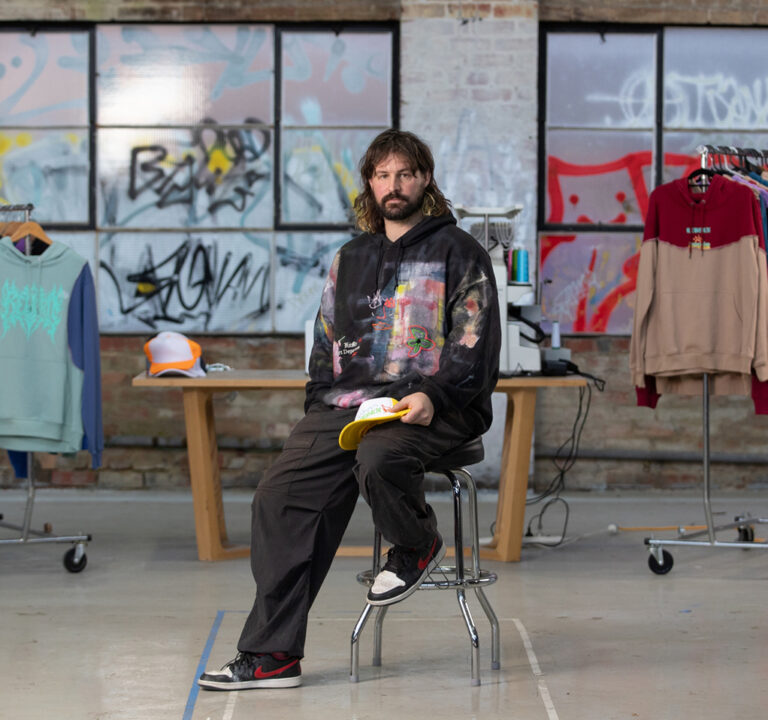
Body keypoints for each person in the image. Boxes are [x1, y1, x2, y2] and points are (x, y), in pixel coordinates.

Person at [198, 129, 501, 691]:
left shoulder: (460, 252)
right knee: (280, 494)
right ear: (369, 183)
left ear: (425, 179)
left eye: (405, 174)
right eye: (383, 175)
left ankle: (416, 543)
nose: (394, 185)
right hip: (351, 406)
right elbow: (325, 343)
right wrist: (320, 409)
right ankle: (273, 656)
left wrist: (431, 397)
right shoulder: (351, 258)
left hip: (437, 405)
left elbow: (474, 346)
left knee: (380, 457)